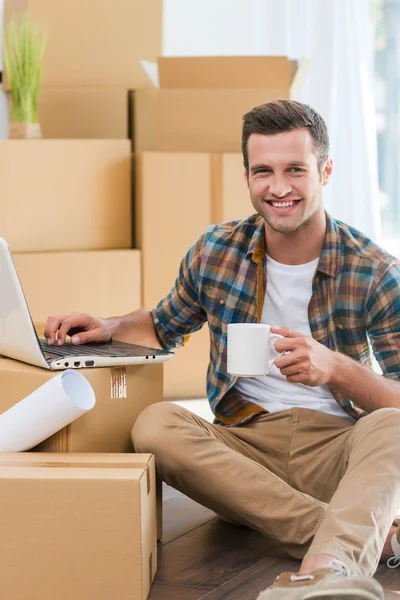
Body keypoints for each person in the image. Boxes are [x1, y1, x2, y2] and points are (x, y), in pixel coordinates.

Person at [44, 100, 400, 600]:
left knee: (394, 426)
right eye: (263, 172)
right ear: (248, 176)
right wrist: (111, 325)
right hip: (246, 450)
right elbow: (163, 325)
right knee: (154, 423)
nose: (278, 188)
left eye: (295, 170)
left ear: (326, 170)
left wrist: (336, 368)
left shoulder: (375, 271)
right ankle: (364, 534)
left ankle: (328, 569)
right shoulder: (217, 250)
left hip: (338, 452)